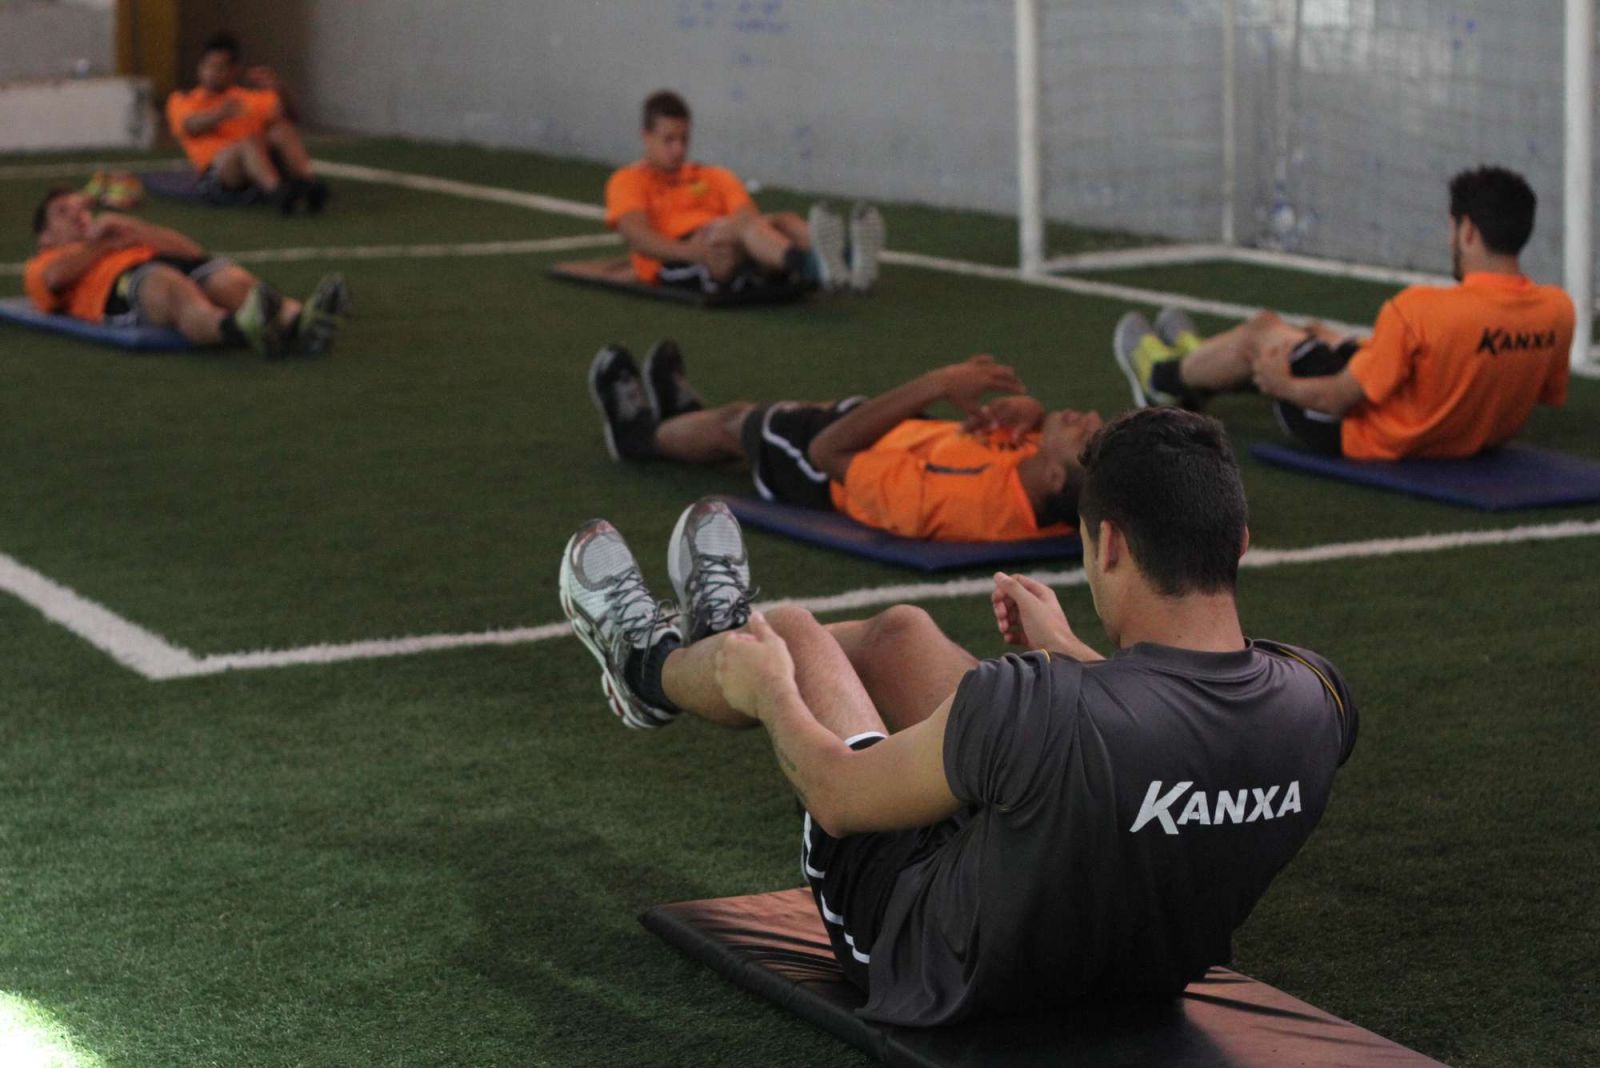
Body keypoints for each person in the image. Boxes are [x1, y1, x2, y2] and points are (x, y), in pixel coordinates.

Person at [558, 407, 1358, 1025]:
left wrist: (772, 691)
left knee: (795, 638)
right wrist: (1065, 646)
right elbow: (1186, 726)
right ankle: (717, 640)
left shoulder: (1037, 699)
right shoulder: (1317, 699)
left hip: (930, 954)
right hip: (1126, 959)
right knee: (902, 634)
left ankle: (650, 667)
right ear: (1239, 541)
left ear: (1110, 545)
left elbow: (836, 795)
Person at [1112, 166, 1574, 459]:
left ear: (1468, 231)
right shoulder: (1557, 310)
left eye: (1452, 228)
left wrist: (1280, 385)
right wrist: (1348, 345)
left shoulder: (1420, 308)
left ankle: (1161, 376)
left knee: (1264, 333)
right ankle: (1196, 360)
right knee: (1316, 338)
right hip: (1461, 434)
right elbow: (1479, 361)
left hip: (1357, 431)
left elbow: (1337, 399)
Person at [587, 340, 1094, 542]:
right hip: (901, 437)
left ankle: (639, 437)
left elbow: (827, 453)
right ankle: (681, 417)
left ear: (1054, 475)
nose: (1090, 416)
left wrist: (937, 382)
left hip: (829, 466)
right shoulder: (1051, 479)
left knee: (739, 425)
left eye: (1087, 433)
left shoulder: (956, 501)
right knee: (744, 418)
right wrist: (1031, 413)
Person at [604, 90, 883, 295]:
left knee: (784, 220)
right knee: (743, 230)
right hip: (679, 259)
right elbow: (636, 235)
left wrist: (728, 229)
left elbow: (747, 214)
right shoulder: (628, 180)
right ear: (646, 137)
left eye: (684, 139)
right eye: (669, 140)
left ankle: (847, 265)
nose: (678, 149)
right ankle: (817, 267)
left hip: (726, 238)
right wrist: (689, 252)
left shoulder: (710, 174)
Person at [24, 187, 349, 357]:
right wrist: (104, 245)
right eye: (63, 212)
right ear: (45, 237)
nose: (78, 214)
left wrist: (132, 227)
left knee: (224, 277)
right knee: (170, 285)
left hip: (158, 261)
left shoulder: (117, 233)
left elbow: (192, 252)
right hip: (121, 284)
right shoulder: (43, 262)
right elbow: (56, 278)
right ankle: (238, 327)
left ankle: (300, 320)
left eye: (81, 208)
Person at [165, 32, 330, 214]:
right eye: (208, 66)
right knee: (248, 143)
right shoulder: (184, 100)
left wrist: (280, 89)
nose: (212, 73)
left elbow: (292, 118)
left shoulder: (248, 98)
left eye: (220, 68)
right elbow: (190, 126)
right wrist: (220, 114)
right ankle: (277, 192)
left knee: (281, 129)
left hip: (258, 160)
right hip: (220, 172)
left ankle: (308, 183)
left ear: (234, 70)